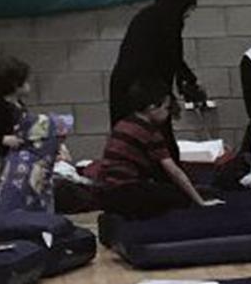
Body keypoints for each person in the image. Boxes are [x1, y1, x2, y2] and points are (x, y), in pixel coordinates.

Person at [89, 77, 219, 220]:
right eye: (166, 108)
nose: (168, 113)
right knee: (178, 196)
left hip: (106, 193)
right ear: (152, 107)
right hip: (126, 192)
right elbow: (173, 171)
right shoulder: (149, 132)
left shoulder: (123, 123)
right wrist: (199, 201)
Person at [0, 56, 63, 217]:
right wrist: (4, 139)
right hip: (0, 160)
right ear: (14, 85)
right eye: (25, 82)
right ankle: (5, 220)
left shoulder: (18, 105)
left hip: (17, 157)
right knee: (5, 195)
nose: (29, 85)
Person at [109, 0, 206, 118]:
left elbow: (171, 59)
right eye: (188, 9)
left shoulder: (151, 16)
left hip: (131, 87)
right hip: (141, 92)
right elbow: (167, 59)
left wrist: (188, 81)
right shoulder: (167, 22)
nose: (188, 15)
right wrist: (171, 93)